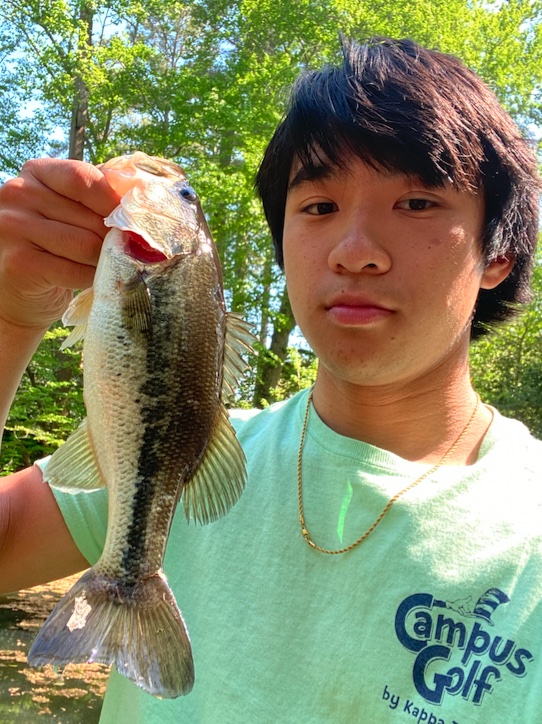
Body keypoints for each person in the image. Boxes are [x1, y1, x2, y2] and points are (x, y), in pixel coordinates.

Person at [0, 36, 541, 723]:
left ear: (500, 252)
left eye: (417, 204)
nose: (355, 252)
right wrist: (10, 319)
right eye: (318, 207)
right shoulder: (190, 454)